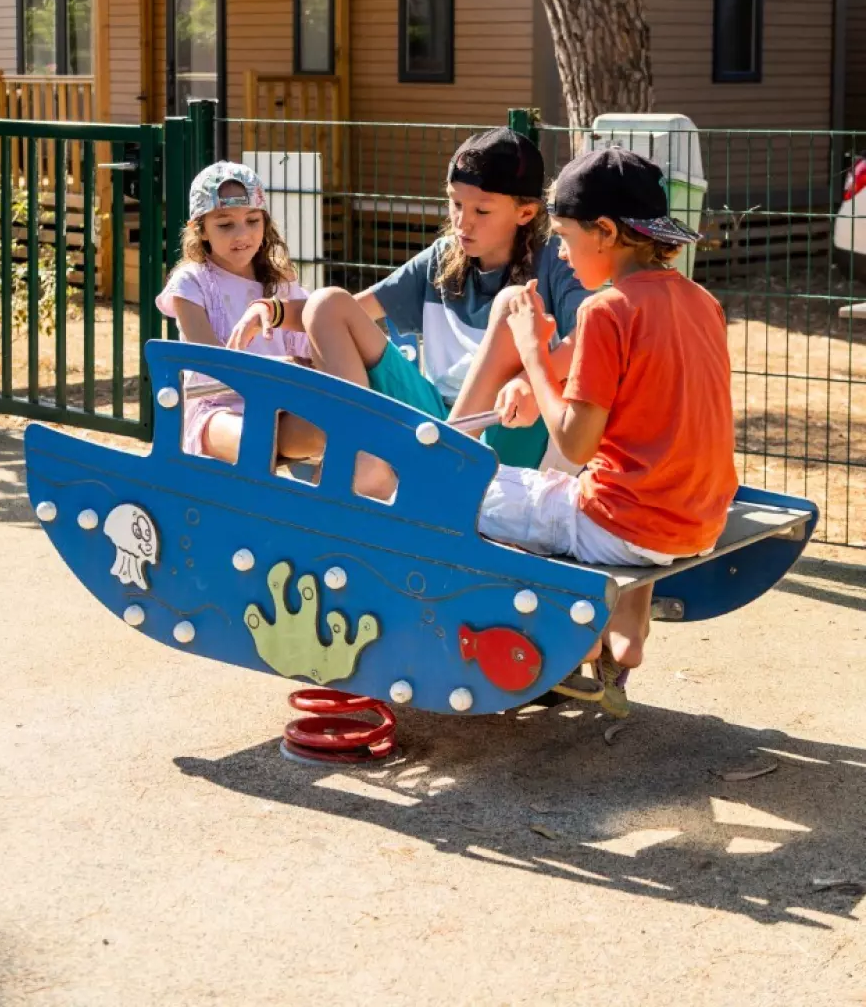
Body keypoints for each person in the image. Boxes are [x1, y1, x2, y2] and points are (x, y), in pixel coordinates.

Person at [474, 145, 738, 715]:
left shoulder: (605, 310)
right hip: (698, 519)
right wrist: (539, 376)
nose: (561, 254)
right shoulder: (701, 301)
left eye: (565, 237)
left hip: (620, 524)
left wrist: (531, 352)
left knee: (470, 493)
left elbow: (574, 443)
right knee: (588, 491)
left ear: (606, 232)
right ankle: (625, 640)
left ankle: (575, 638)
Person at [227, 127, 588, 472]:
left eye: (481, 211)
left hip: (507, 423)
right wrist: (271, 309)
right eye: (455, 203)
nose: (462, 222)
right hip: (434, 420)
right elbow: (352, 311)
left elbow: (587, 339)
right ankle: (366, 464)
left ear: (525, 213)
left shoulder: (557, 259)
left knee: (513, 303)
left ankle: (446, 466)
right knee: (327, 303)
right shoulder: (442, 257)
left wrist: (528, 378)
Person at [156, 161, 320, 464]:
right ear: (200, 229)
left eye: (252, 220)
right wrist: (280, 368)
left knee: (334, 430)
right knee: (255, 442)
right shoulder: (191, 283)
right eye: (225, 224)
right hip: (217, 410)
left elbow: (309, 346)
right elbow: (210, 364)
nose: (242, 234)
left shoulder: (280, 280)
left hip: (282, 403)